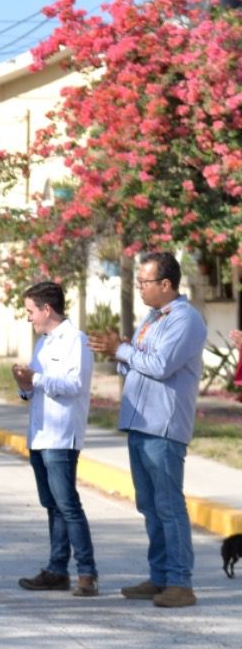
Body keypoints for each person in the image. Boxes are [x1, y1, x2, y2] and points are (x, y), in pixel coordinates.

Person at [91, 251, 206, 608]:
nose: (139, 288)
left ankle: (180, 582)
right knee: (150, 504)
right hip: (141, 421)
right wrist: (120, 353)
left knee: (169, 505)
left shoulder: (184, 319)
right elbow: (137, 363)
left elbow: (161, 365)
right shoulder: (153, 318)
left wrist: (122, 350)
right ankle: (160, 576)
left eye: (145, 282)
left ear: (166, 284)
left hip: (164, 424)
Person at [12, 281, 98, 597]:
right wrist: (23, 383)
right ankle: (56, 569)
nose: (29, 318)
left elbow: (74, 383)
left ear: (47, 309)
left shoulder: (76, 340)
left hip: (62, 435)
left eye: (31, 311)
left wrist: (34, 377)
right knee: (53, 506)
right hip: (40, 433)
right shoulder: (44, 343)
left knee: (68, 505)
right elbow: (34, 388)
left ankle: (87, 572)